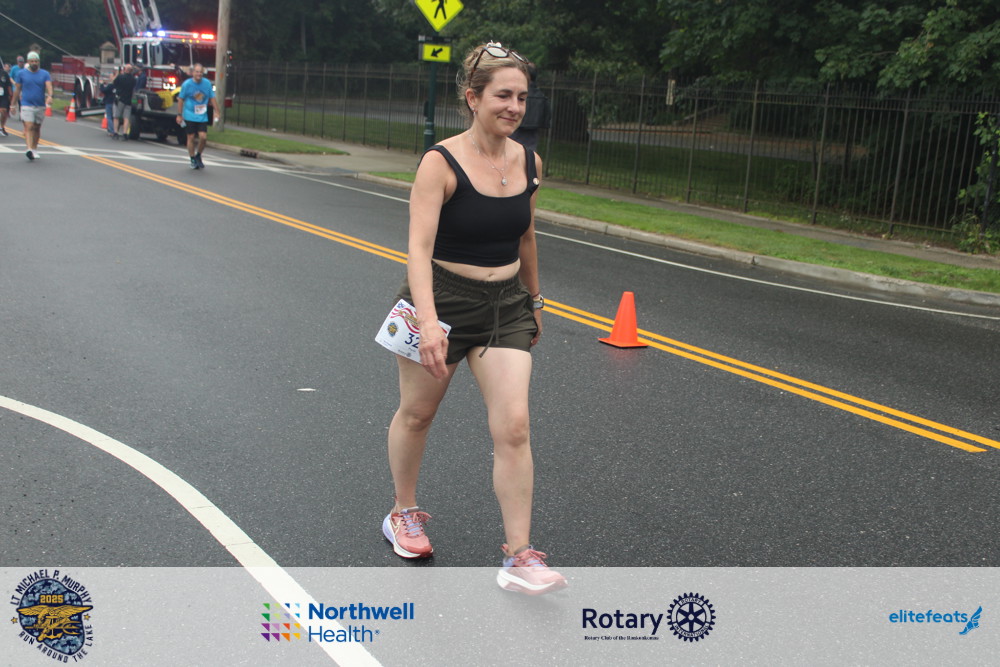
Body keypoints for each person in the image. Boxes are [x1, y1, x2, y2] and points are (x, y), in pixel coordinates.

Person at [380, 41, 566, 596]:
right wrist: (429, 322)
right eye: (503, 95)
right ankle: (403, 513)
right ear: (473, 97)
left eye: (522, 97)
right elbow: (418, 250)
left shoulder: (530, 162)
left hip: (505, 304)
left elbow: (526, 236)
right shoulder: (440, 162)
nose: (514, 107)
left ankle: (519, 555)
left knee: (514, 426)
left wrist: (535, 300)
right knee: (417, 414)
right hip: (440, 299)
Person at [175, 63, 218, 169]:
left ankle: (198, 155)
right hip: (189, 114)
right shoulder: (187, 84)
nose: (199, 74)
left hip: (202, 115)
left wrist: (217, 111)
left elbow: (212, 98)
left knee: (203, 137)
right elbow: (181, 99)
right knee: (191, 137)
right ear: (192, 73)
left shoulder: (207, 83)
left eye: (200, 72)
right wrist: (179, 115)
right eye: (197, 72)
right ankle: (192, 158)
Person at [12, 52, 52, 161]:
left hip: (40, 105)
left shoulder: (44, 74)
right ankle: (29, 149)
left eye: (36, 61)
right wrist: (13, 104)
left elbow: (49, 86)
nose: (34, 63)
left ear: (39, 62)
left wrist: (50, 96)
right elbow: (17, 89)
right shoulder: (21, 74)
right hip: (26, 104)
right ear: (28, 62)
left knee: (36, 127)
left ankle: (34, 148)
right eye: (32, 61)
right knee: (29, 126)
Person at [510, 62, 552, 152]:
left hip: (515, 132)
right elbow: (547, 119)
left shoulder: (518, 94)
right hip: (532, 135)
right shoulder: (542, 96)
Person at [112, 64, 135, 140]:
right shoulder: (133, 79)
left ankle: (116, 133)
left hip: (120, 99)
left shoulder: (120, 77)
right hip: (128, 100)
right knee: (126, 118)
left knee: (116, 117)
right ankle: (125, 134)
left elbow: (114, 83)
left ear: (125, 69)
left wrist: (117, 74)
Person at [100, 69, 117, 137]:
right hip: (115, 102)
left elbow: (104, 90)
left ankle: (112, 131)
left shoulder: (110, 86)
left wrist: (101, 84)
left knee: (109, 117)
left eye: (111, 76)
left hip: (109, 102)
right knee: (114, 117)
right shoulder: (117, 85)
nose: (110, 78)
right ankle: (114, 130)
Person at [0, 62, 12, 137]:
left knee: (4, 111)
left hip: (3, 95)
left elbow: (9, 84)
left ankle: (1, 127)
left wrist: (10, 95)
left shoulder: (4, 74)